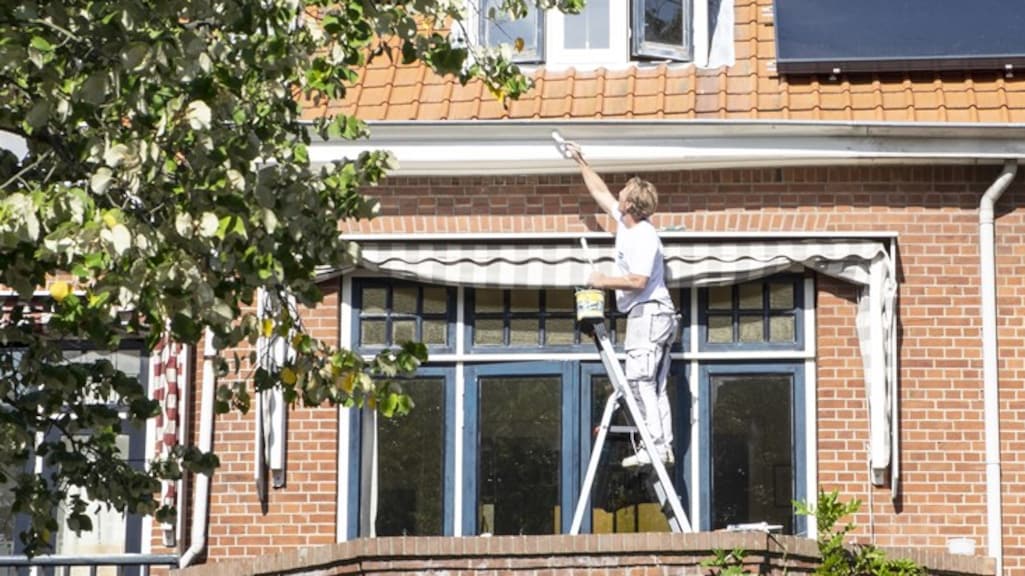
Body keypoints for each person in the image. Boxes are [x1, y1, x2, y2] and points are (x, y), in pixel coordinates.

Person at [563, 141, 679, 468]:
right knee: (653, 384)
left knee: (640, 379)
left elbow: (639, 281)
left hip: (650, 313)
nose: (618, 193)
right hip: (653, 314)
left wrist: (602, 281)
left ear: (630, 203)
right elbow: (600, 193)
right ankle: (662, 445)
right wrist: (581, 160)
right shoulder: (626, 222)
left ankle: (654, 447)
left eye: (623, 191)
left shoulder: (643, 236)